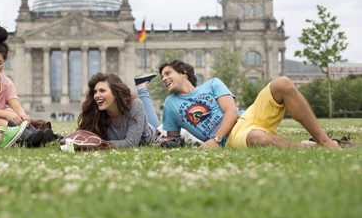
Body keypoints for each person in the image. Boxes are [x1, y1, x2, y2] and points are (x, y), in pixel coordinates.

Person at [158, 59, 340, 149]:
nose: (164, 79)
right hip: (233, 136)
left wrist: (215, 140)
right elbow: (173, 139)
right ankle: (304, 147)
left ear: (183, 73)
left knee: (282, 83)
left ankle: (324, 141)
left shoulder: (213, 83)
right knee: (258, 139)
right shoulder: (170, 105)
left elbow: (231, 111)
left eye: (167, 73)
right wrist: (167, 143)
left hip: (248, 115)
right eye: (162, 77)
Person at [77, 72, 154, 148]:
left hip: (152, 133)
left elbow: (131, 143)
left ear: (115, 94)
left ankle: (142, 87)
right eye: (95, 92)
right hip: (140, 120)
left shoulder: (135, 105)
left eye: (102, 91)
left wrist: (101, 144)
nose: (96, 95)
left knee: (146, 110)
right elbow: (83, 135)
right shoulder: (97, 112)